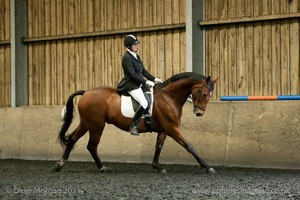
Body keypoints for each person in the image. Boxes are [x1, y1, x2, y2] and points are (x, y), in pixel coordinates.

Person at [117, 35, 162, 136]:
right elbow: (132, 75)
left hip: (138, 83)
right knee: (144, 103)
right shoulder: (126, 58)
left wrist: (154, 79)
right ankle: (133, 126)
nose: (137, 46)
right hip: (131, 84)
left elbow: (144, 72)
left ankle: (147, 118)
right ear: (128, 46)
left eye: (137, 44)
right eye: (134, 44)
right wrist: (145, 82)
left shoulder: (136, 56)